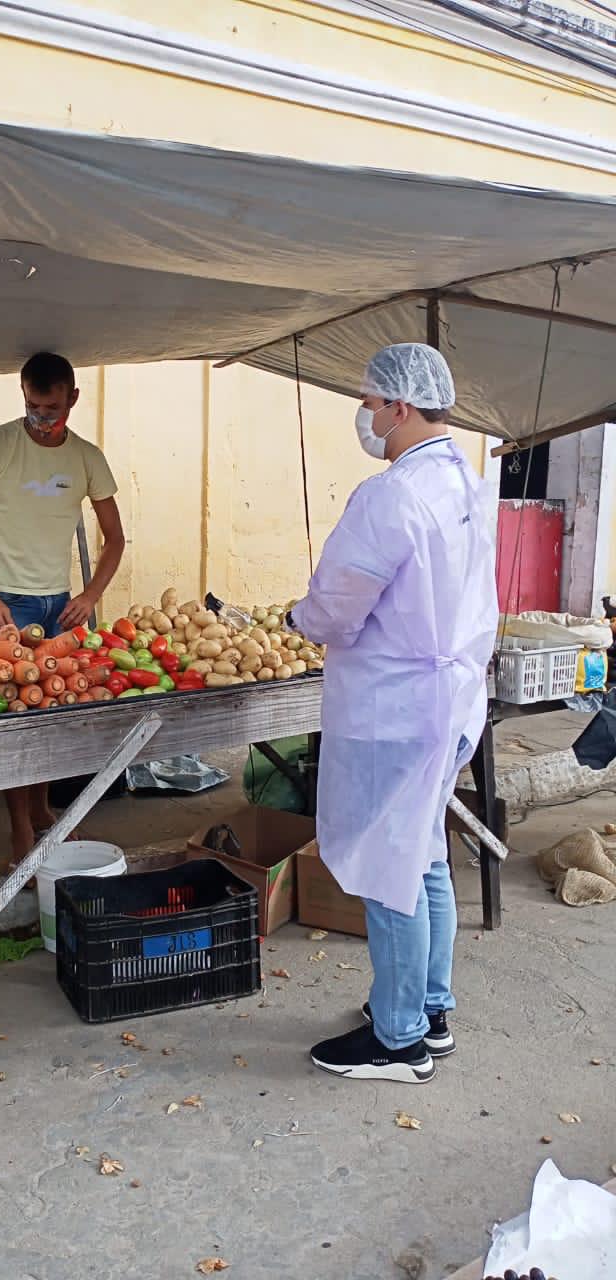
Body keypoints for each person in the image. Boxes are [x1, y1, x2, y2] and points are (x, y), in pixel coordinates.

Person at [286, 344, 498, 1085]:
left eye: (372, 402)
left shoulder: (392, 496)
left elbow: (339, 606)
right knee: (425, 853)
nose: (367, 415)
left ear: (400, 407)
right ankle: (429, 1010)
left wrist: (298, 618)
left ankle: (399, 1038)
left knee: (387, 865)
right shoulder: (466, 485)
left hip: (393, 706)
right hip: (449, 700)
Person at [0, 352, 125, 864]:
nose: (41, 417)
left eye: (51, 407)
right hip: (7, 604)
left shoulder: (87, 458)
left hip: (60, 602)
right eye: (32, 405)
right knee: (16, 720)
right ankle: (20, 827)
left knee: (50, 714)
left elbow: (114, 539)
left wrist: (88, 597)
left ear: (73, 399)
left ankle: (42, 809)